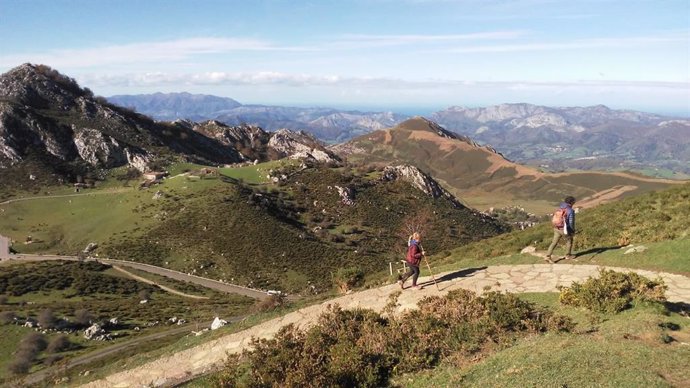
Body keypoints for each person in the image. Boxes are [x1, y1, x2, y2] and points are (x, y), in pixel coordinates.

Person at [545, 196, 577, 263]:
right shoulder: (570, 210)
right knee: (569, 240)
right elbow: (571, 222)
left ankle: (548, 256)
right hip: (564, 229)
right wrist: (572, 230)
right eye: (574, 201)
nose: (574, 203)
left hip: (556, 228)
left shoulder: (560, 207)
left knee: (554, 242)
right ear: (571, 202)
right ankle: (568, 255)